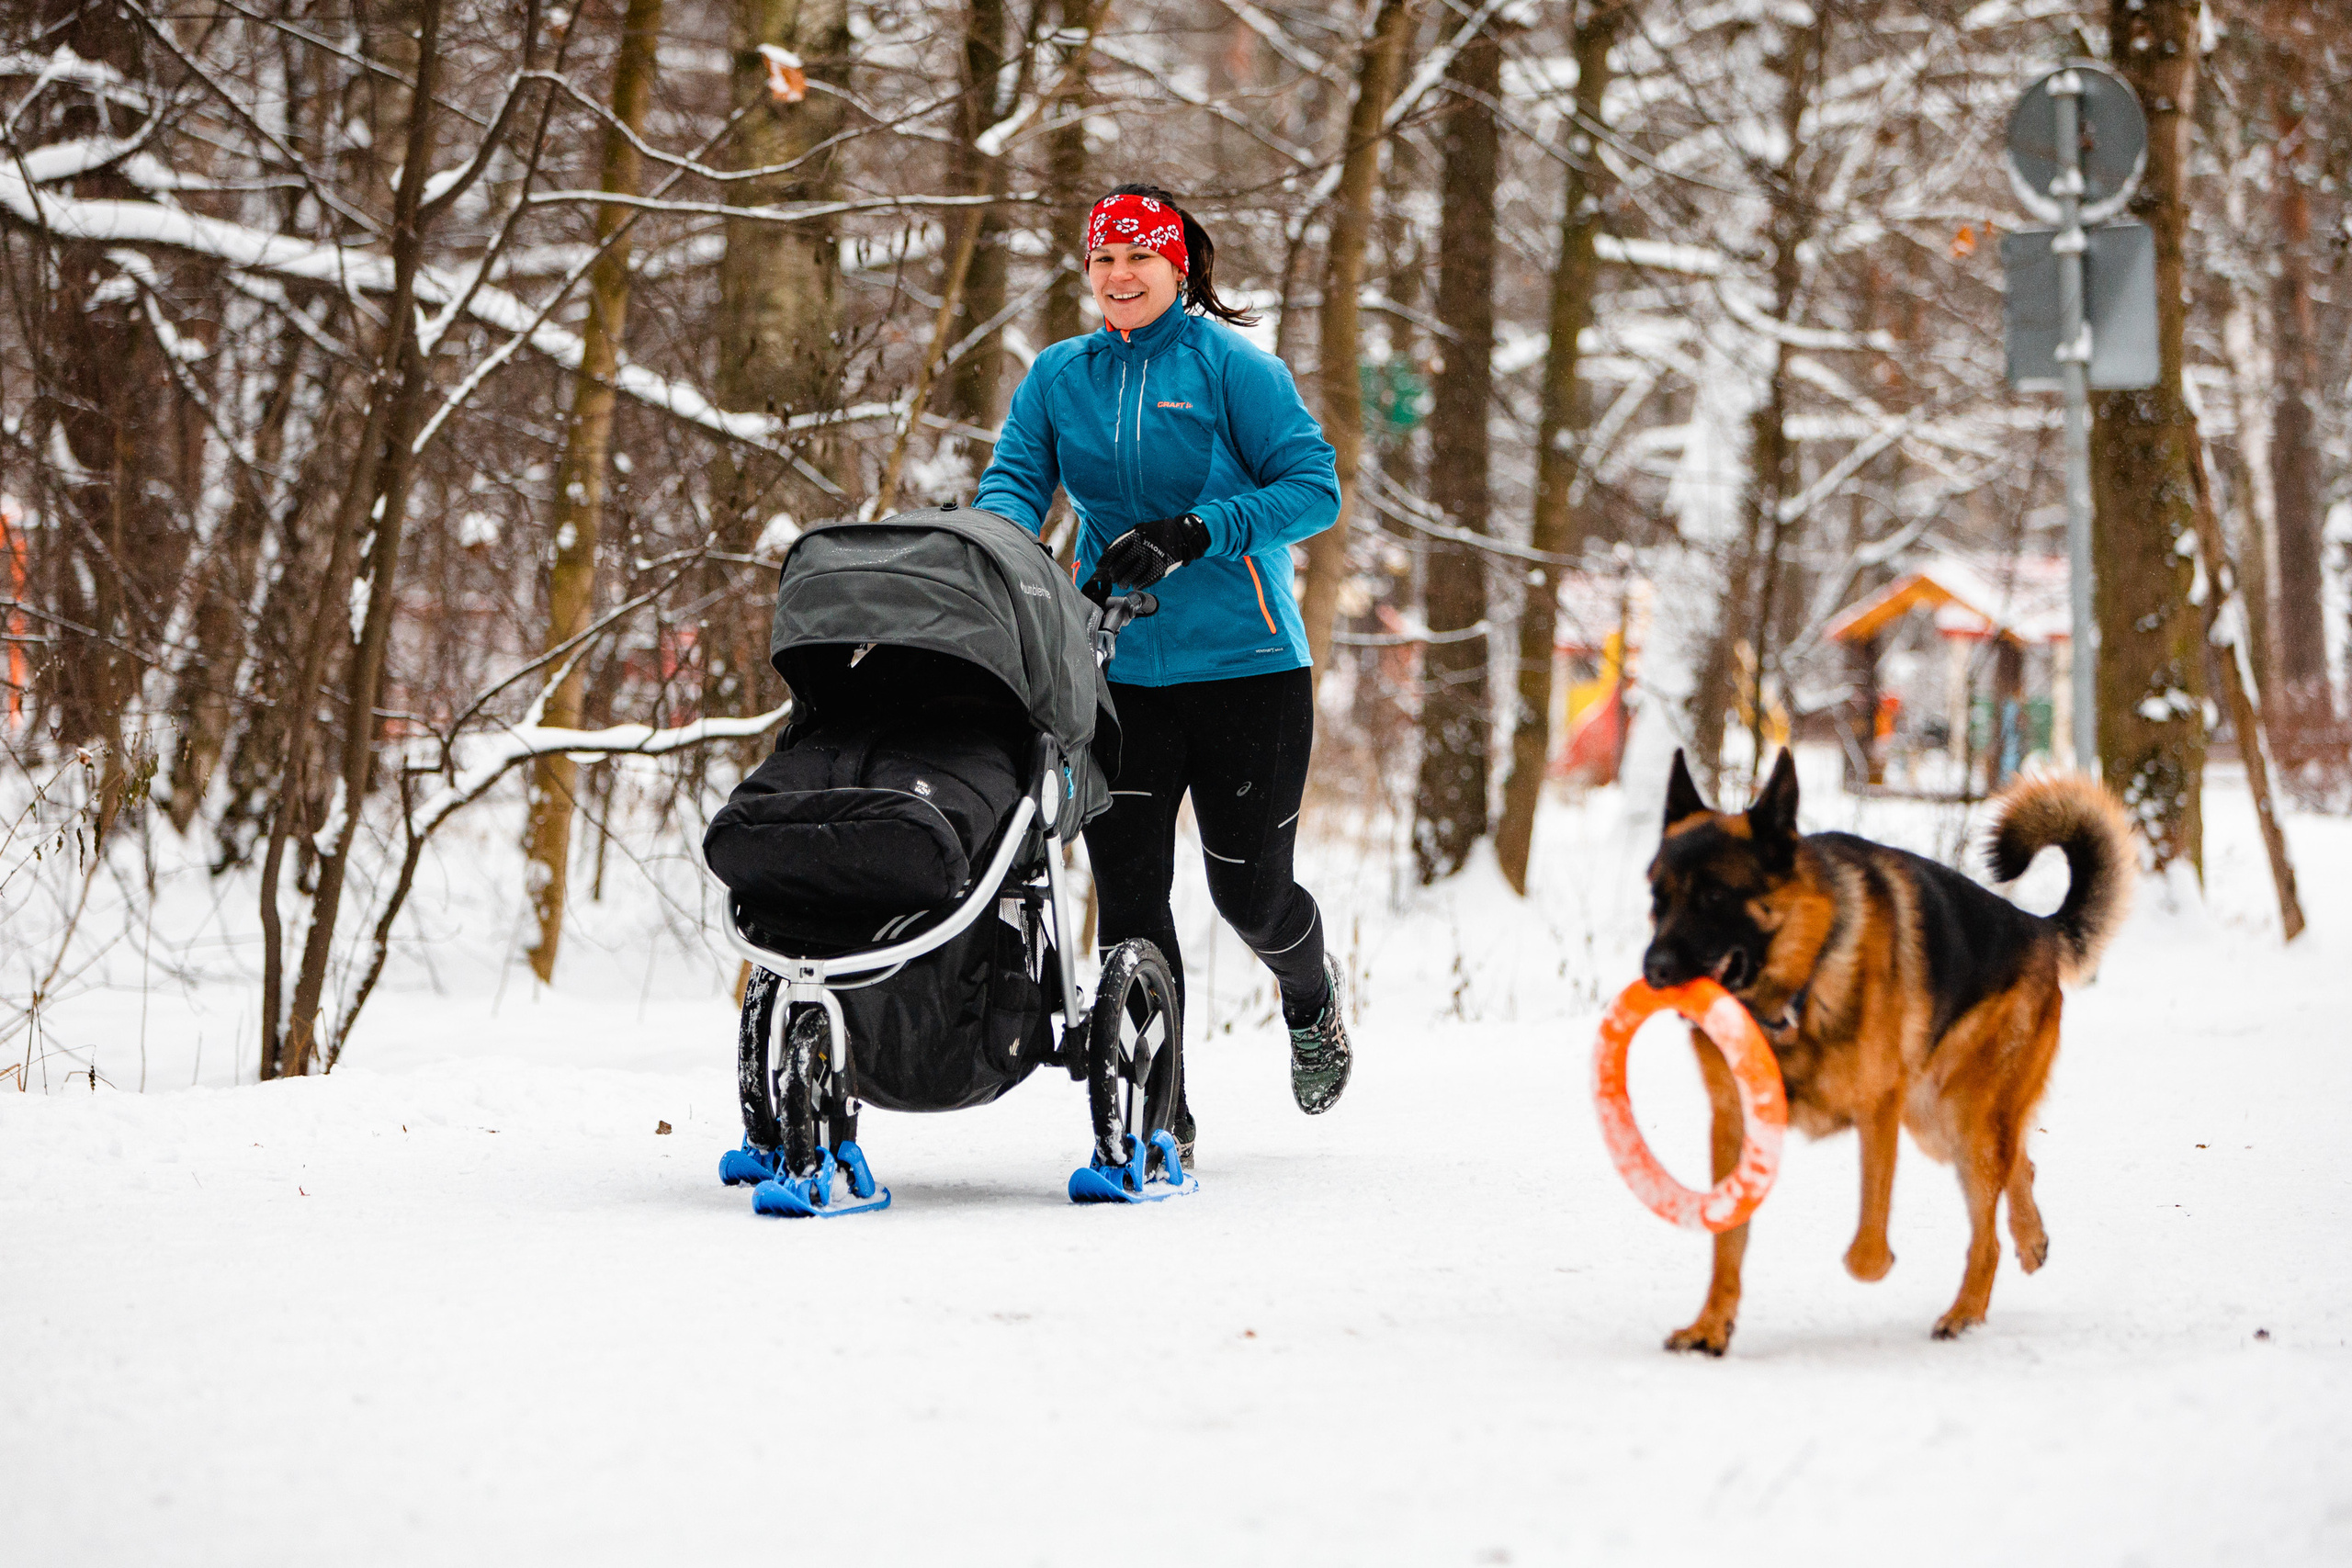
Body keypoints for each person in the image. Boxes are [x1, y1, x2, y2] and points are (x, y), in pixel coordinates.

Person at [973, 184, 1351, 1156]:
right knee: (1131, 899)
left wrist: (1197, 532)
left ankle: (1309, 995)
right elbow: (1016, 479)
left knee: (1249, 897)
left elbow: (1314, 490)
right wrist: (993, 546)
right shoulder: (1060, 376)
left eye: (1139, 256)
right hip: (1116, 671)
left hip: (1248, 671)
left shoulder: (1234, 368)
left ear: (1178, 267)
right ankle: (1157, 1110)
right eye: (1103, 258)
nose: (1119, 274)